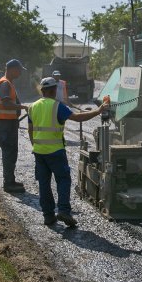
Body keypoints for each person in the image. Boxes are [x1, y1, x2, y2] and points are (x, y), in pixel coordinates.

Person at [28, 77, 107, 226]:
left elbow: (30, 130)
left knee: (44, 184)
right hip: (56, 151)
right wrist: (98, 111)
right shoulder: (57, 106)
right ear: (53, 90)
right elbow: (77, 117)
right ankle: (63, 211)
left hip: (39, 152)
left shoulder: (32, 107)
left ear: (42, 90)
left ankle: (48, 216)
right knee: (63, 180)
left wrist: (36, 146)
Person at [0, 59, 29, 193]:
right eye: (19, 70)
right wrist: (23, 107)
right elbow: (6, 104)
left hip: (9, 122)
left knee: (12, 152)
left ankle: (11, 180)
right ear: (12, 69)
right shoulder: (5, 84)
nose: (20, 73)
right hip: (6, 124)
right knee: (8, 152)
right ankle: (8, 183)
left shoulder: (8, 83)